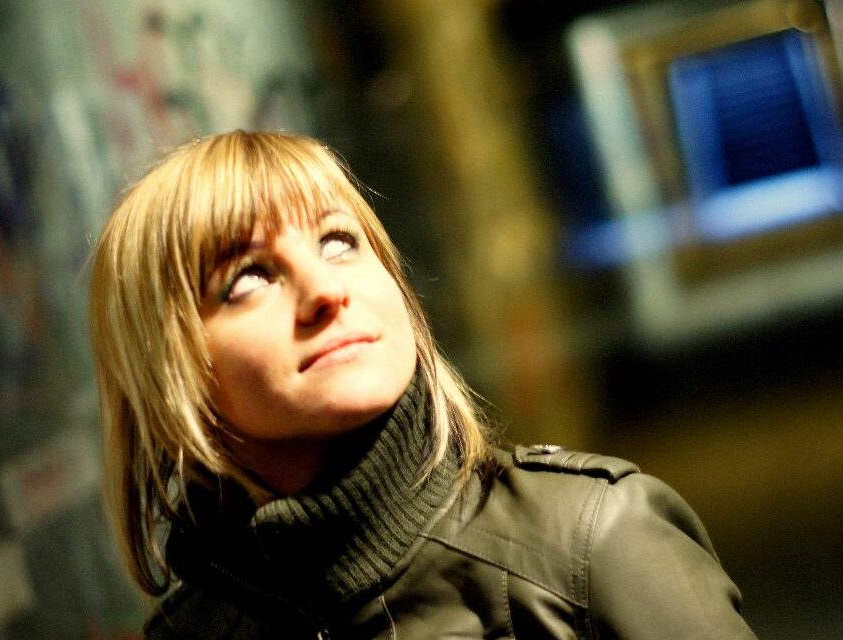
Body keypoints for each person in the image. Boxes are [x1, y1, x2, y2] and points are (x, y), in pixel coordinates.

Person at [89, 130, 756, 639]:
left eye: (338, 241)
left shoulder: (591, 544)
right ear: (168, 369)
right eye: (249, 278)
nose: (325, 291)